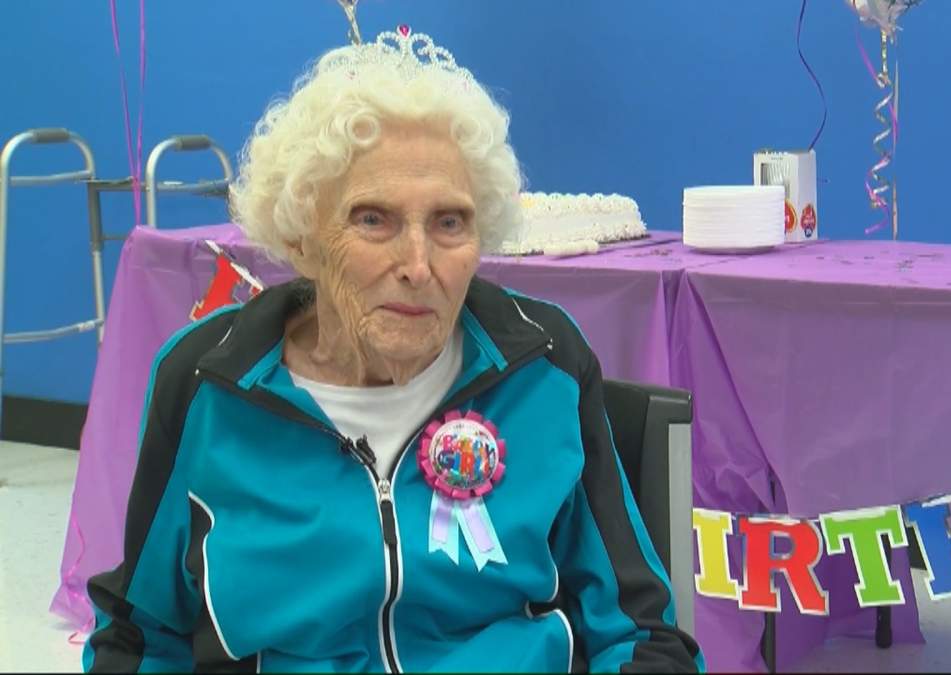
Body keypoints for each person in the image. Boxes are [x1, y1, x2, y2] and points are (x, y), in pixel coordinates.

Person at [83, 27, 703, 673]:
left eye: (449, 222)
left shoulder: (544, 363)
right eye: (372, 219)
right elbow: (141, 631)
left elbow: (637, 631)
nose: (418, 264)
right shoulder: (208, 379)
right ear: (302, 237)